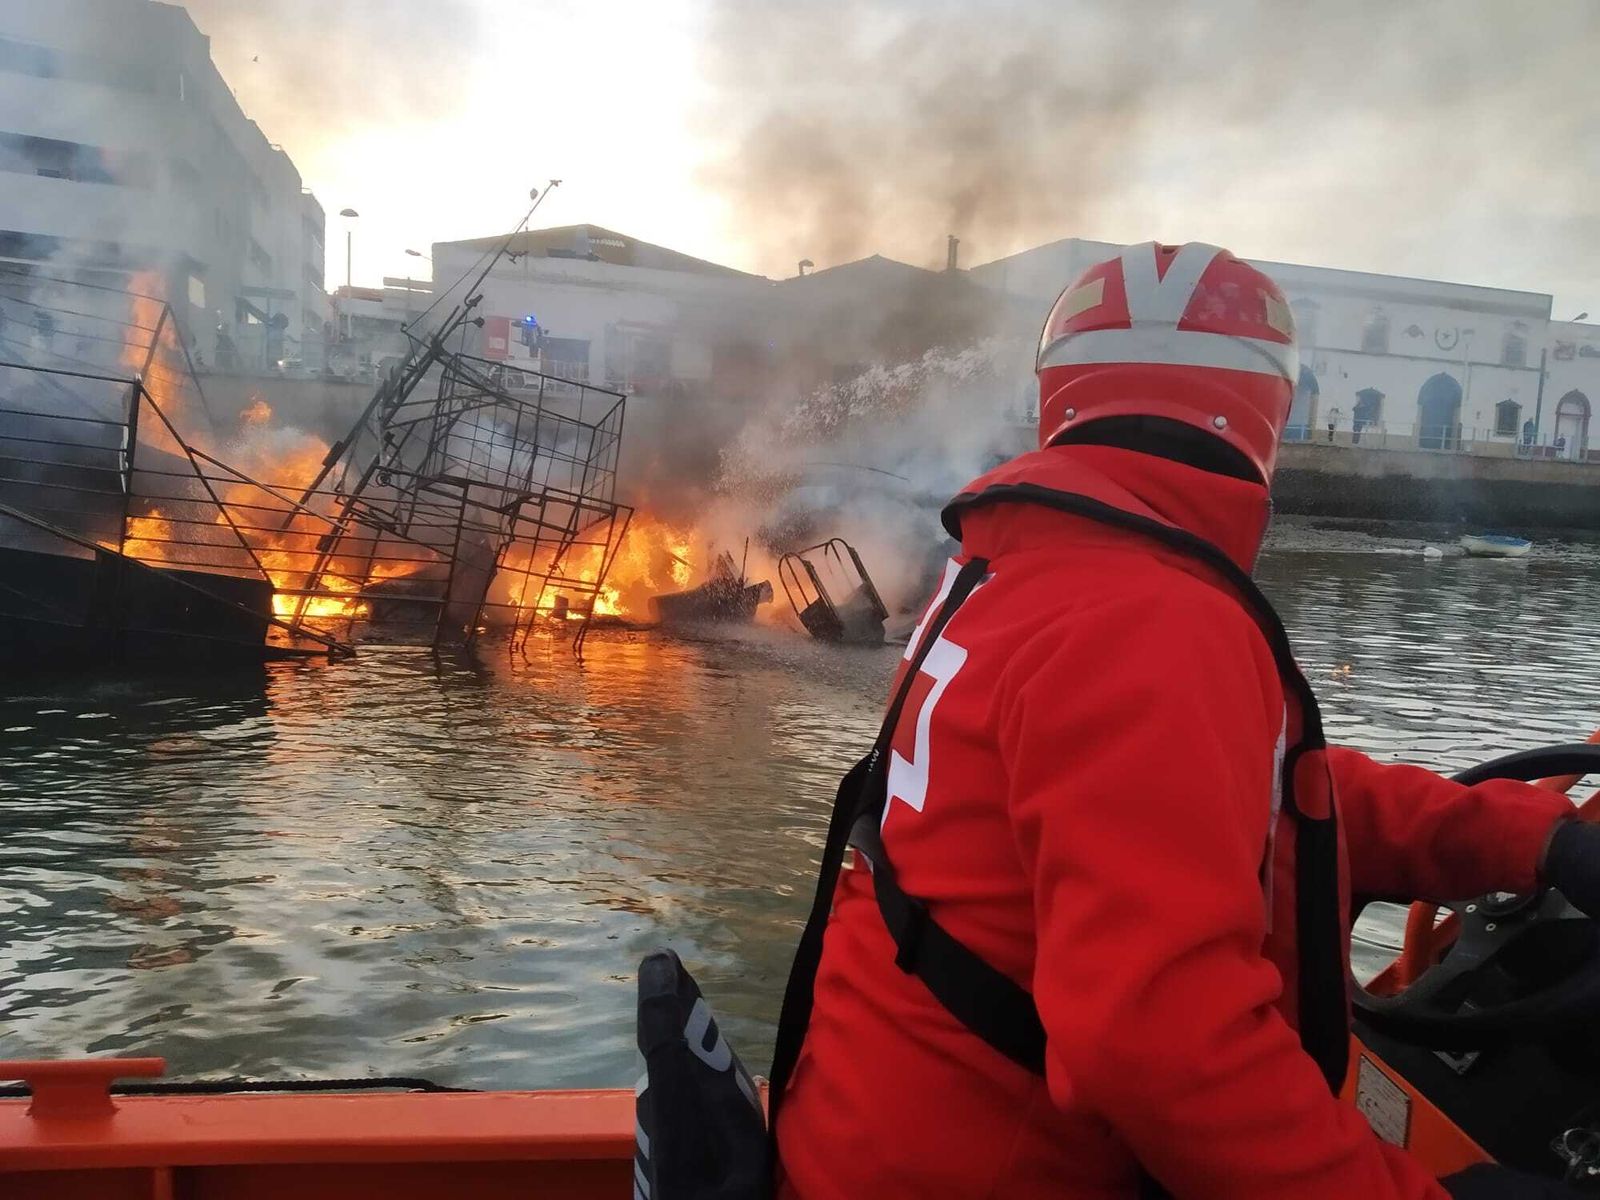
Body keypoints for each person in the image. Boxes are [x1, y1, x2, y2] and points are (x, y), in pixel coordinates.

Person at [772, 242, 1600, 1199]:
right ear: (1267, 410)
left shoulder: (1015, 570)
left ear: (1061, 395)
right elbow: (1158, 1039)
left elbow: (1255, 788)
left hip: (864, 1137)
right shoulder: (1152, 617)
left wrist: (1533, 839)